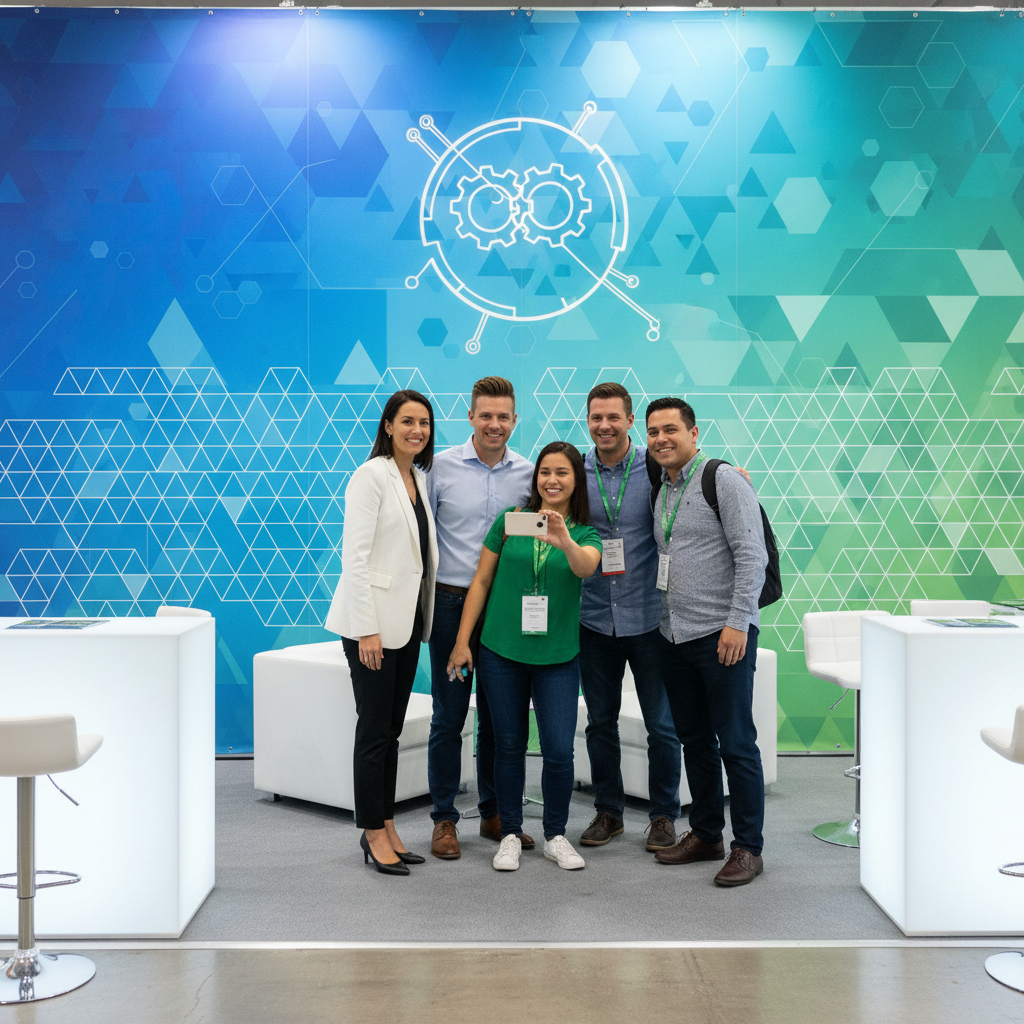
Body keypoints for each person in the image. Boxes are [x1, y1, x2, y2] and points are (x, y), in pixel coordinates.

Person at [448, 442, 602, 872]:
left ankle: (555, 834)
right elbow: (480, 581)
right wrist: (463, 642)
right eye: (545, 472)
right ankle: (510, 833)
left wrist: (564, 540)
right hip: (501, 651)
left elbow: (586, 567)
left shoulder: (586, 533)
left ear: (577, 480)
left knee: (558, 750)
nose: (552, 480)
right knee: (509, 745)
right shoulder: (510, 522)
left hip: (557, 656)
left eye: (563, 473)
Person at [645, 397, 768, 887]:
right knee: (694, 739)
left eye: (670, 429)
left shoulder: (723, 479)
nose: (661, 439)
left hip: (723, 636)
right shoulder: (663, 487)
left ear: (694, 433)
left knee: (736, 742)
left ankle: (748, 848)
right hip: (673, 634)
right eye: (653, 431)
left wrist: (738, 622)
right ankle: (705, 833)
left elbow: (751, 554)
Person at [325, 389, 438, 876]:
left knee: (390, 731)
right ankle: (372, 833)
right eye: (408, 421)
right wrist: (366, 629)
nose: (418, 430)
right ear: (388, 425)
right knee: (373, 732)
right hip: (372, 627)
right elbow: (355, 557)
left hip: (407, 622)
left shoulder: (416, 477)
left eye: (425, 423)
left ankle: (388, 823)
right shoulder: (370, 475)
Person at [425, 376, 535, 860]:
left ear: (515, 420)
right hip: (450, 607)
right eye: (485, 415)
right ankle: (444, 820)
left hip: (504, 611)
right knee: (450, 716)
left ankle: (493, 814)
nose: (494, 424)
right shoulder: (440, 468)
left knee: (499, 719)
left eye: (503, 417)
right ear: (470, 416)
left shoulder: (529, 474)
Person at [577, 382, 682, 853]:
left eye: (613, 418)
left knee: (662, 725)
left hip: (649, 617)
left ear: (629, 420)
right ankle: (608, 811)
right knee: (601, 722)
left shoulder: (656, 466)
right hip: (593, 616)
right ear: (588, 420)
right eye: (596, 418)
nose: (604, 426)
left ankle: (663, 817)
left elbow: (694, 482)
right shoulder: (575, 471)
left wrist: (736, 476)